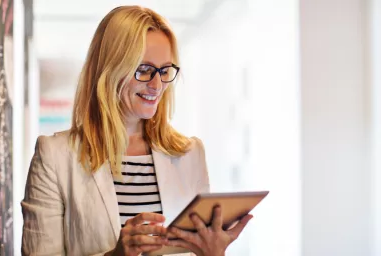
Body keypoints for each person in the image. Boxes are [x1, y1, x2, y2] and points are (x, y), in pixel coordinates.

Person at [21, 5, 253, 256]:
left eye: (165, 71)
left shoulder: (190, 154)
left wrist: (214, 253)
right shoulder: (54, 156)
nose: (157, 85)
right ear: (109, 70)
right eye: (144, 70)